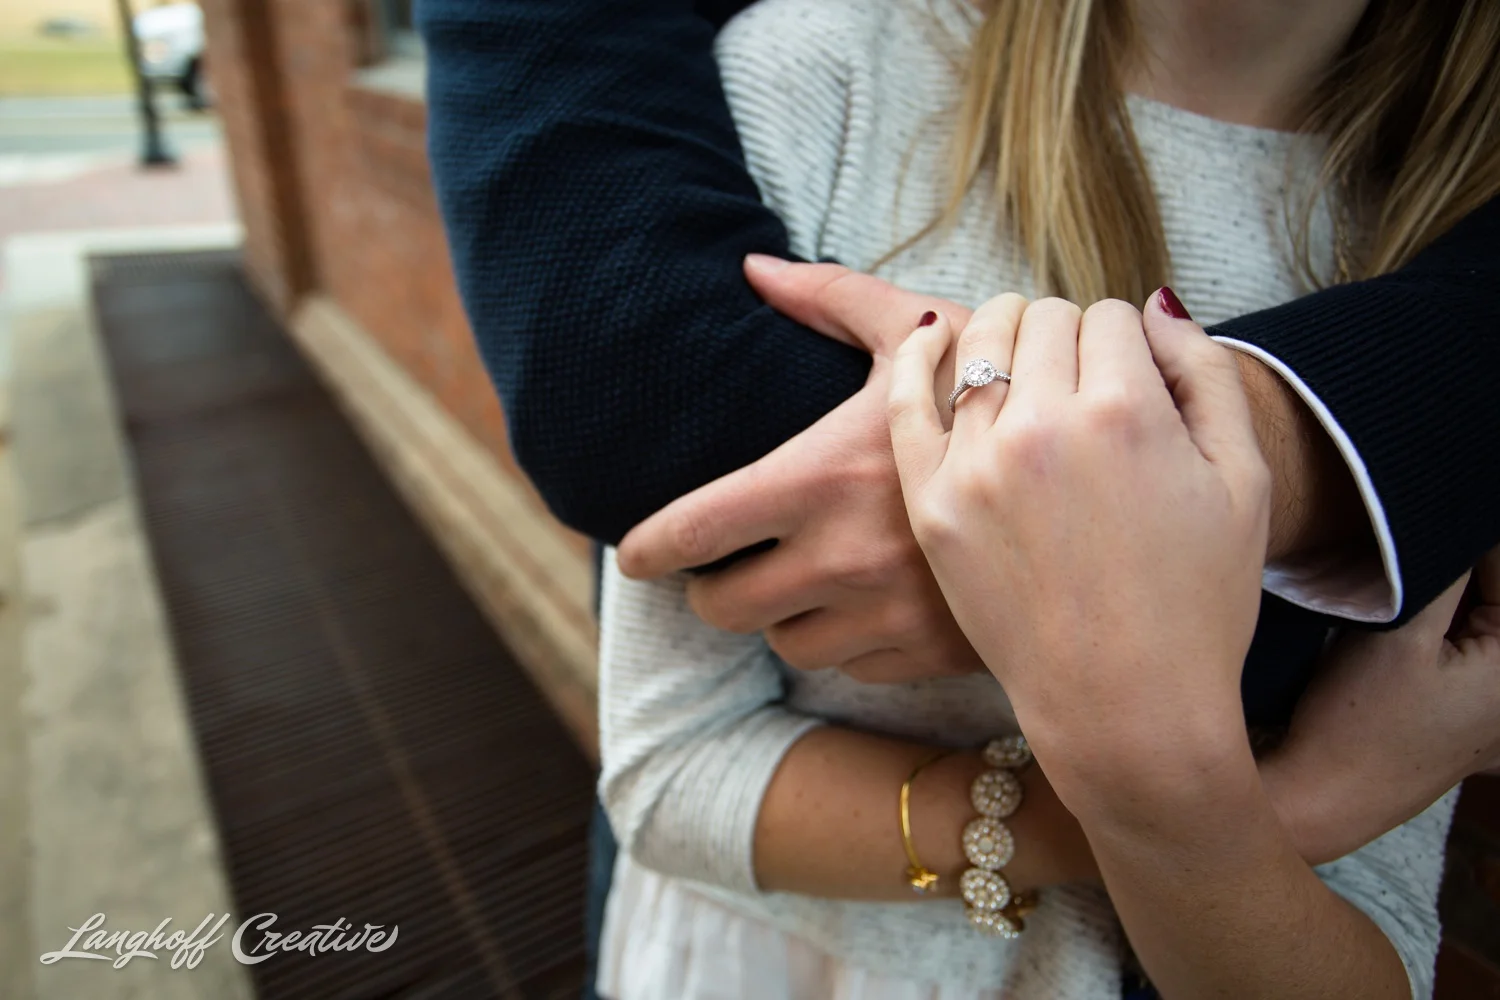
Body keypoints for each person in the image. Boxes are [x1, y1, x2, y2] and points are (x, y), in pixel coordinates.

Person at [577, 0, 1498, 997]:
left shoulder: (1457, 248)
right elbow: (671, 773)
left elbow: (1378, 944)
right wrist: (1265, 814)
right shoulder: (826, 67)